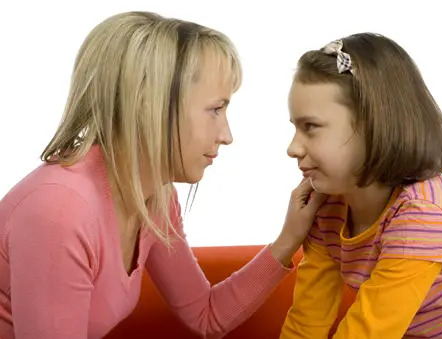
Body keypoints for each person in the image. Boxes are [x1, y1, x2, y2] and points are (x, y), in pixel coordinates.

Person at [0, 11, 327, 339]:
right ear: (150, 105)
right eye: (215, 109)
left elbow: (206, 315)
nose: (226, 135)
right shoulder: (60, 211)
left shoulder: (155, 195)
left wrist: (288, 239)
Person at [280, 33, 442, 338]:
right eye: (295, 127)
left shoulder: (421, 213)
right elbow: (307, 320)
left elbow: (367, 332)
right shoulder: (329, 202)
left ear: (373, 126)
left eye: (311, 127)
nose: (293, 148)